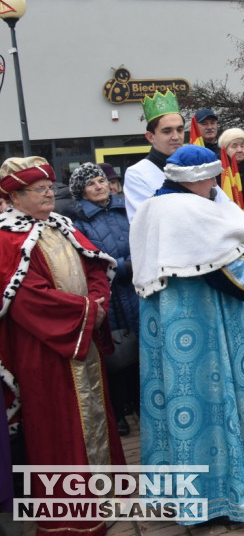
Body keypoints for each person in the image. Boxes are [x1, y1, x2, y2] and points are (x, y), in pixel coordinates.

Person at [130, 145, 244, 524]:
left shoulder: (155, 206)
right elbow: (223, 273)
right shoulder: (183, 210)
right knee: (214, 395)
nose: (216, 183)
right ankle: (226, 488)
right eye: (211, 176)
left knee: (181, 399)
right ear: (193, 178)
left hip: (170, 325)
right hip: (203, 323)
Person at [0, 156, 126, 536]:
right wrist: (88, 312)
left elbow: (95, 267)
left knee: (95, 420)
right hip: (46, 352)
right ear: (16, 196)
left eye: (49, 188)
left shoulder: (61, 226)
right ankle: (72, 518)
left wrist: (97, 303)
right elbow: (27, 300)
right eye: (39, 190)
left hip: (82, 339)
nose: (48, 194)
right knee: (59, 430)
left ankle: (105, 500)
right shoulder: (7, 241)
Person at [70, 162, 139, 437]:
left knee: (140, 350)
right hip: (109, 294)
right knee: (115, 354)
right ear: (82, 191)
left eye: (101, 180)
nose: (99, 186)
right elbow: (89, 262)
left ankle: (140, 403)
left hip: (136, 289)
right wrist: (123, 266)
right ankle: (120, 409)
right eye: (91, 183)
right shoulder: (79, 223)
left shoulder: (127, 208)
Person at [123, 90, 186, 222]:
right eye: (167, 131)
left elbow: (222, 204)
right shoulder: (137, 174)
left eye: (179, 130)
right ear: (150, 137)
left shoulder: (195, 164)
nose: (176, 137)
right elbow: (143, 222)